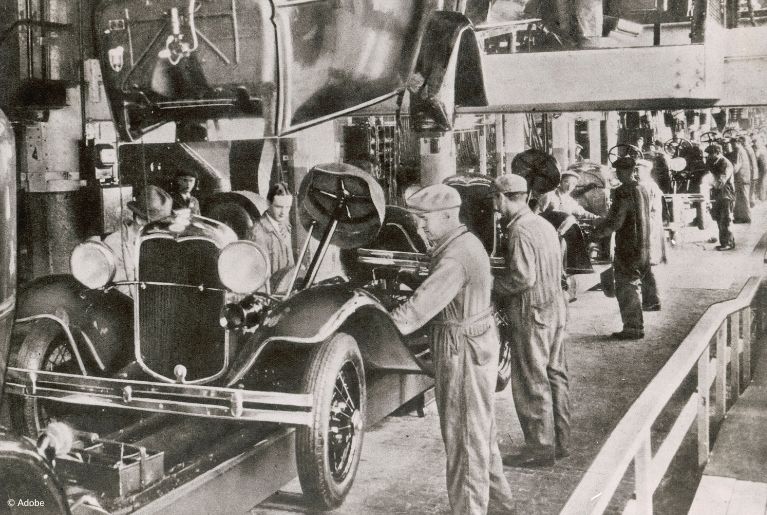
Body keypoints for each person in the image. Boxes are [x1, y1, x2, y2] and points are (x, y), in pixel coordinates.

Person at [389, 184, 515, 515]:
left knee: (463, 440)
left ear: (447, 216)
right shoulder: (463, 242)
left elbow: (416, 311)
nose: (420, 227)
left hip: (461, 351)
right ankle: (500, 507)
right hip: (475, 343)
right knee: (480, 433)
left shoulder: (455, 257)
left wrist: (378, 324)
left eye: (424, 220)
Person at [493, 174, 570, 469]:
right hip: (555, 308)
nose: (496, 207)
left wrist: (490, 284)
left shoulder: (520, 231)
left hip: (532, 312)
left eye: (495, 200)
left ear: (502, 198)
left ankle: (539, 448)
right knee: (555, 375)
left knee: (530, 380)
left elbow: (523, 278)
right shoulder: (544, 224)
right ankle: (560, 441)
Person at [594, 157, 653, 340]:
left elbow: (617, 220)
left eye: (620, 171)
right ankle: (636, 326)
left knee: (626, 287)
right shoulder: (642, 188)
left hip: (628, 246)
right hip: (642, 244)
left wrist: (597, 233)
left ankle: (633, 328)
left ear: (627, 171)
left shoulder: (623, 191)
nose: (618, 174)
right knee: (633, 284)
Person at [103, 185, 174, 297]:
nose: (162, 230)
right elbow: (123, 291)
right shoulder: (114, 243)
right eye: (158, 225)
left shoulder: (155, 240)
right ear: (140, 220)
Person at [249, 182, 296, 290]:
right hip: (269, 296)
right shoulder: (258, 233)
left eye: (287, 207)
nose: (283, 213)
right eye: (279, 207)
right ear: (268, 203)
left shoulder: (285, 226)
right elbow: (257, 276)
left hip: (285, 290)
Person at [636, 159, 664, 311]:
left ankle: (652, 300)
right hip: (647, 228)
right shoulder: (646, 185)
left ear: (646, 170)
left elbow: (651, 212)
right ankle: (650, 300)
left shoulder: (648, 186)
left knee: (647, 267)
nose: (636, 172)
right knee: (645, 267)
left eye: (638, 169)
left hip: (649, 229)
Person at [706, 143, 736, 251]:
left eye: (711, 153)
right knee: (719, 218)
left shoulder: (725, 163)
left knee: (725, 219)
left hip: (726, 194)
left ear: (718, 153)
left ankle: (728, 243)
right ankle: (724, 242)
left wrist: (709, 184)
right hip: (718, 194)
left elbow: (721, 180)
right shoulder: (715, 162)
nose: (709, 156)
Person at [726, 138, 752, 223]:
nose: (732, 146)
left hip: (742, 178)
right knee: (741, 199)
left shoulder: (739, 151)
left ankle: (746, 218)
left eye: (733, 144)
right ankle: (740, 217)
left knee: (743, 199)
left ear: (737, 143)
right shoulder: (741, 150)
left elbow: (736, 167)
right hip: (742, 178)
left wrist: (727, 171)